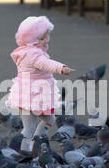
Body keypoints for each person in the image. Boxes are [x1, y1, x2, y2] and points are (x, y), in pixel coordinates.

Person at [6, 16, 75, 151]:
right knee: (31, 127)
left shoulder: (26, 50)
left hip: (29, 93)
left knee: (47, 121)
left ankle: (33, 143)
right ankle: (25, 149)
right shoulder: (33, 54)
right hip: (33, 95)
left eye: (46, 37)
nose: (46, 40)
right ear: (32, 40)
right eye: (42, 38)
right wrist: (61, 68)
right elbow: (45, 63)